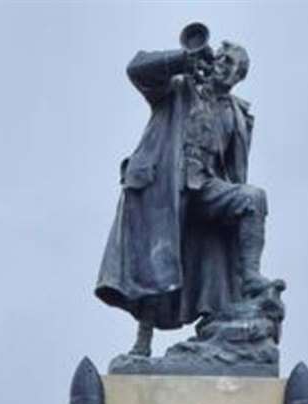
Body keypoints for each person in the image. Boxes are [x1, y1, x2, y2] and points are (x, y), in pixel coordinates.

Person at [96, 38, 275, 358]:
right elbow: (137, 70)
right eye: (220, 58)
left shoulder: (238, 113)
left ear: (238, 76)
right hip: (165, 184)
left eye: (230, 63)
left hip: (206, 186)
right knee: (155, 262)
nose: (222, 64)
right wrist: (185, 57)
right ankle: (143, 340)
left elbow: (236, 169)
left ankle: (248, 280)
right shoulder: (178, 88)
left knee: (252, 198)